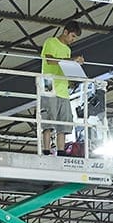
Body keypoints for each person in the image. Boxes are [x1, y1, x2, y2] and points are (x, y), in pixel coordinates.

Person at [40, 21, 84, 155]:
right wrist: (71, 60)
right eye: (72, 36)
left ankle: (61, 151)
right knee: (48, 120)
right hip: (49, 84)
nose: (73, 40)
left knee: (64, 123)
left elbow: (65, 67)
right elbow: (49, 60)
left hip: (63, 88)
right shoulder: (50, 42)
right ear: (65, 32)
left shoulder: (68, 50)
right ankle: (46, 150)